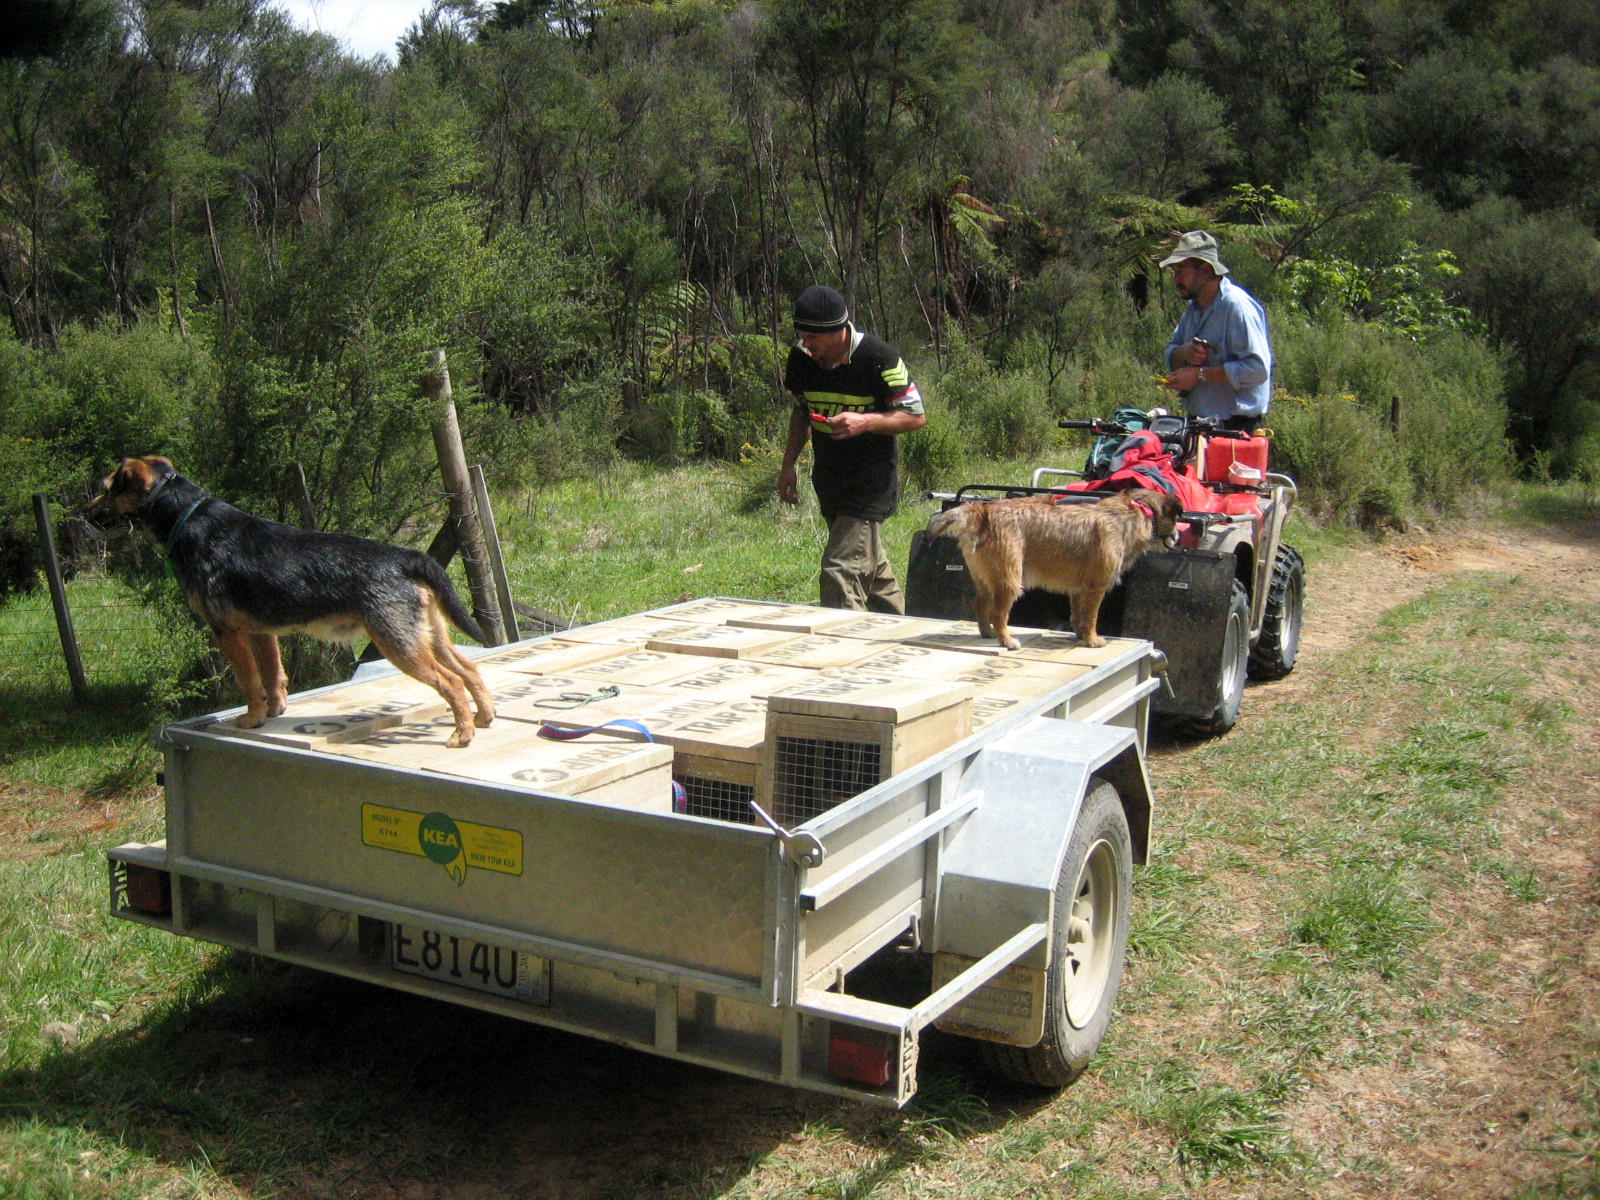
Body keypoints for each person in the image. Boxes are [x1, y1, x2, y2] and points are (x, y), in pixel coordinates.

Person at [777, 284, 926, 611]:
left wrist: (866, 422)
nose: (806, 344)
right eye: (802, 335)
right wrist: (788, 466)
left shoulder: (879, 358)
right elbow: (801, 413)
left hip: (870, 486)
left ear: (837, 331)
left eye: (812, 337)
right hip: (830, 483)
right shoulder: (801, 360)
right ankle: (907, 635)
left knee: (841, 572)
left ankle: (842, 652)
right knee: (872, 572)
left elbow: (915, 416)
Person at [1158, 231, 1271, 431]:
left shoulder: (1236, 307)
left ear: (1206, 270)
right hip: (1199, 423)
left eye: (1181, 271)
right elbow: (1171, 353)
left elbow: (1258, 370)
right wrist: (1185, 352)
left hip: (1236, 428)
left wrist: (1200, 374)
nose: (1176, 279)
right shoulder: (1193, 308)